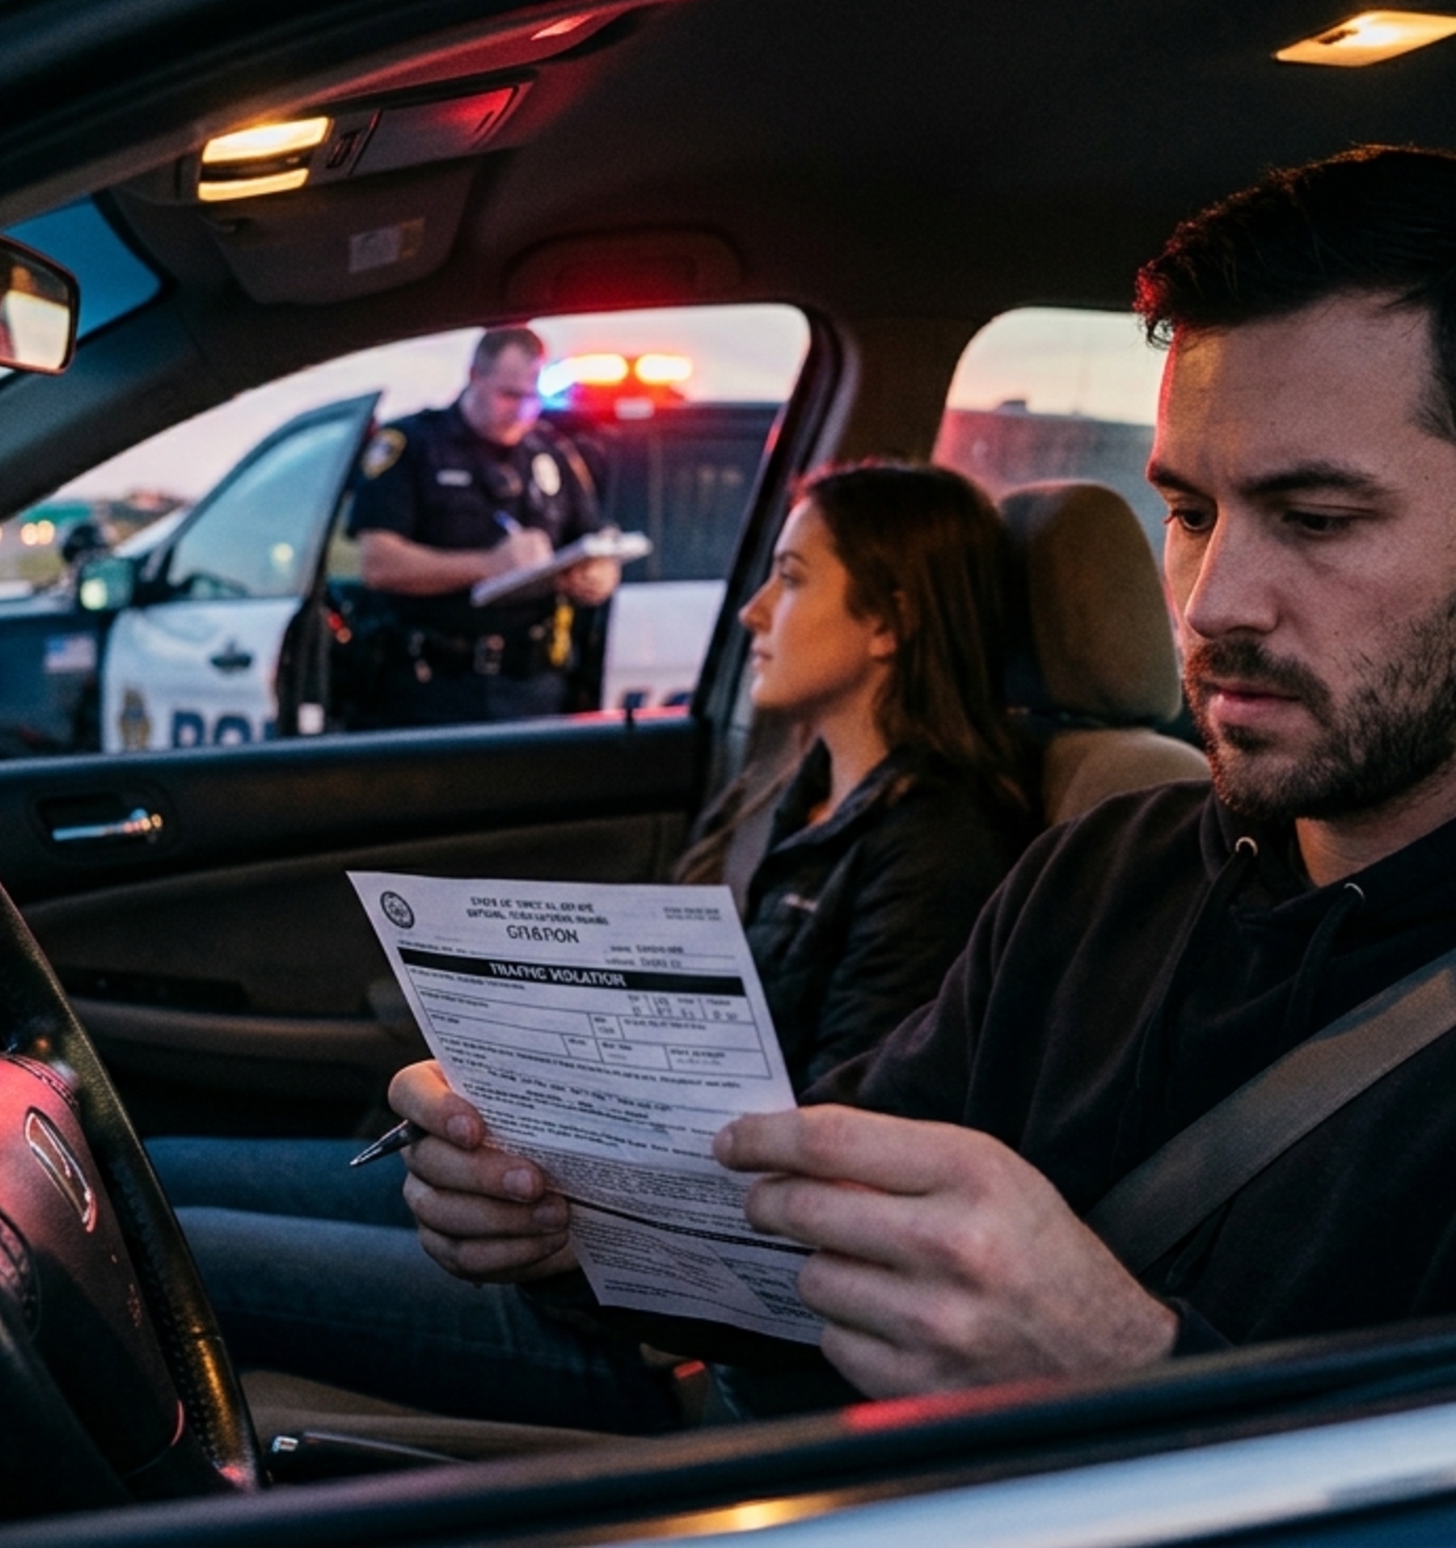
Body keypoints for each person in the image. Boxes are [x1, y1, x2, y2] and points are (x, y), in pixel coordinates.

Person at [388, 146, 1456, 1407]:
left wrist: (1135, 1376)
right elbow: (821, 1266)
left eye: (1318, 518)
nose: (1210, 604)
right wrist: (581, 1219)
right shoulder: (1104, 871)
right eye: (1192, 509)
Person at [149, 462, 1039, 1430]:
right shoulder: (799, 793)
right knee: (143, 1176)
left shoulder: (940, 848)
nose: (752, 611)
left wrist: (595, 1192)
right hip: (574, 1215)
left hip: (643, 1323)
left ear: (888, 622)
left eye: (789, 576)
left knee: (167, 1256)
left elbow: (837, 1174)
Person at [344, 326, 622, 728]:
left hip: (532, 689)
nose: (523, 410)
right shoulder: (414, 444)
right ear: (475, 375)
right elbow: (378, 564)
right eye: (509, 395)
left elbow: (597, 544)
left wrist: (598, 577)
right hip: (430, 690)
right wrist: (491, 565)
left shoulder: (552, 454)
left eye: (532, 397)